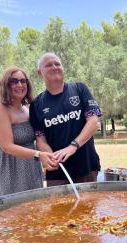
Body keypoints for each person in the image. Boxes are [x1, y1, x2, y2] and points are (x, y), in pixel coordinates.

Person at [30, 52, 102, 187]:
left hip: (86, 168)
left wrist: (72, 146)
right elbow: (40, 139)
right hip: (57, 174)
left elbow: (93, 122)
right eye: (49, 65)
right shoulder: (36, 104)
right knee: (59, 209)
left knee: (88, 208)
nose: (55, 67)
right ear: (40, 73)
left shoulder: (80, 89)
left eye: (57, 64)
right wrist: (49, 156)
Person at [0, 66, 56, 197]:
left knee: (33, 206)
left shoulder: (28, 107)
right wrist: (38, 154)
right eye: (14, 81)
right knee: (12, 208)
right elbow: (7, 146)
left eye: (23, 81)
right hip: (9, 166)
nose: (20, 84)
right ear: (6, 85)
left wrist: (47, 156)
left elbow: (39, 137)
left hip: (31, 165)